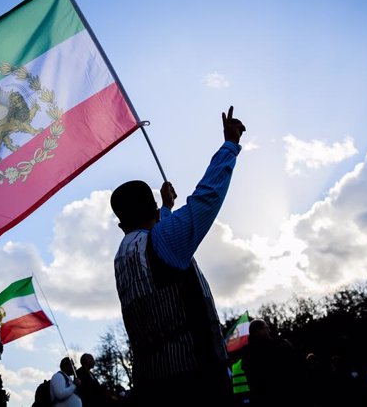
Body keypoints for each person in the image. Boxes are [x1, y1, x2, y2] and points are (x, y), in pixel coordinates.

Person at [110, 105, 246, 406]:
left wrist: (167, 208)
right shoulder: (165, 239)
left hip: (152, 383)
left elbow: (160, 252)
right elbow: (207, 197)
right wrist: (230, 145)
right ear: (153, 211)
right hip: (197, 379)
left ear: (120, 224)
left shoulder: (122, 256)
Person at [242, 318, 302, 407]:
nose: (269, 330)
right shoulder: (269, 347)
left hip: (262, 397)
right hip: (276, 394)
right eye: (266, 328)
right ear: (258, 330)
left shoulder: (248, 351)